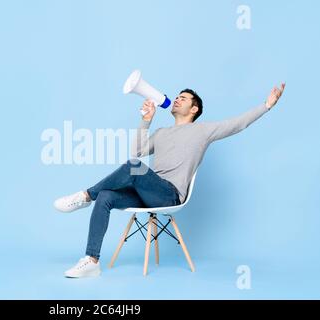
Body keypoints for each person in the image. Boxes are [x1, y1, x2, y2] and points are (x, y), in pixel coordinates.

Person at [54, 84, 286, 278]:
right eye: (176, 97)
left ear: (194, 108)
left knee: (130, 170)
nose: (177, 99)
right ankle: (92, 260)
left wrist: (266, 105)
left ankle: (85, 196)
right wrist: (146, 121)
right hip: (147, 192)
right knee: (106, 196)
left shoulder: (204, 130)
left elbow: (238, 123)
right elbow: (136, 153)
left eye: (183, 98)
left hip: (169, 194)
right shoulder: (162, 132)